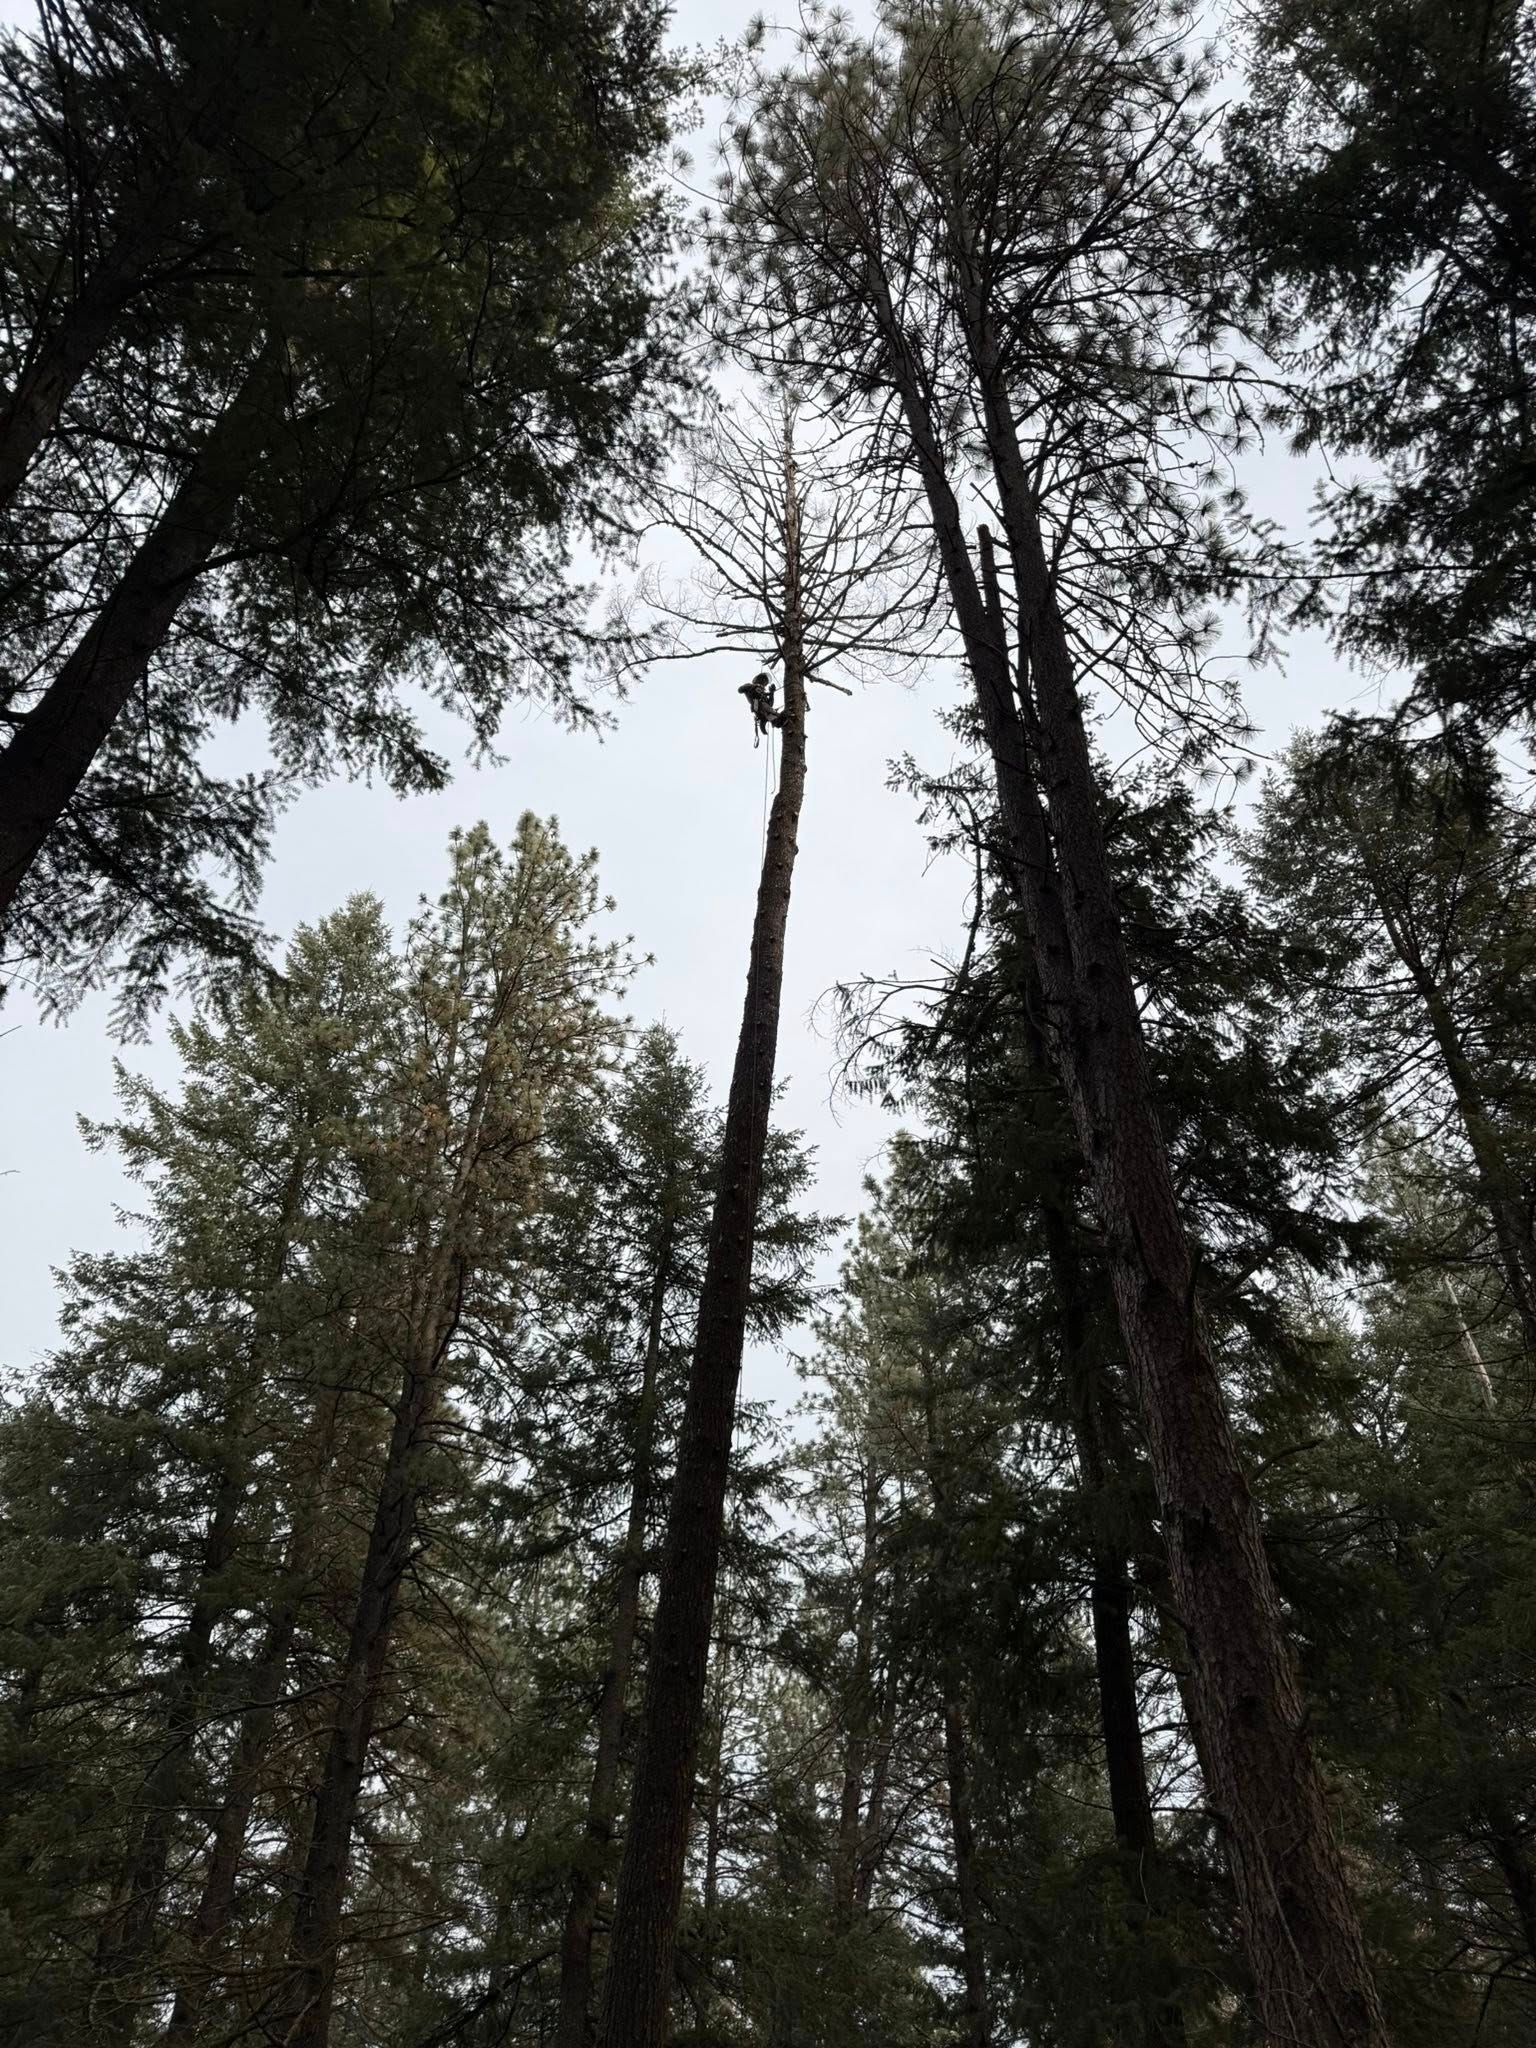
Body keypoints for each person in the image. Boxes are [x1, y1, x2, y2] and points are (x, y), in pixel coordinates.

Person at [738, 670, 783, 743]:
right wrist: (751, 687)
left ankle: (777, 719)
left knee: (768, 709)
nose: (764, 682)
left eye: (765, 681)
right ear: (758, 679)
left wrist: (772, 693)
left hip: (764, 708)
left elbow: (770, 704)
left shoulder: (763, 693)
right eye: (763, 680)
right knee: (766, 709)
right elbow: (740, 690)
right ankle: (776, 720)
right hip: (757, 706)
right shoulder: (750, 686)